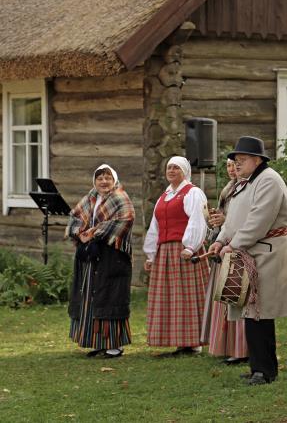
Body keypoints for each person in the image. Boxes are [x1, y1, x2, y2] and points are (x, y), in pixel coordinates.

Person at [209, 136, 287, 385]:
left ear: (257, 160)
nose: (237, 163)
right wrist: (220, 240)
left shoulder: (269, 181)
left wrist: (233, 245)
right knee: (251, 311)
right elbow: (233, 219)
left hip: (268, 252)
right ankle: (258, 367)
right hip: (252, 251)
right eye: (235, 159)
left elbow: (257, 221)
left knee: (261, 312)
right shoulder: (246, 182)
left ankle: (265, 371)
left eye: (241, 160)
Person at [66, 164, 135, 358]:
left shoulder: (120, 198)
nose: (104, 182)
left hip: (112, 256)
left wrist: (95, 232)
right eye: (100, 178)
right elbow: (75, 217)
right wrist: (80, 234)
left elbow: (125, 219)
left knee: (110, 297)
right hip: (90, 256)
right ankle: (96, 341)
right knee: (90, 298)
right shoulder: (90, 198)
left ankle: (115, 344)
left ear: (114, 180)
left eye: (107, 178)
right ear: (94, 181)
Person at [143, 156, 209, 355]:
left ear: (185, 171)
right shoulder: (164, 197)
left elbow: (198, 220)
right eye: (169, 167)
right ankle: (179, 341)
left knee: (187, 297)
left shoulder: (193, 193)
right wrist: (151, 255)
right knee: (171, 297)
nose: (171, 171)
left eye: (176, 168)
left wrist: (190, 246)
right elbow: (155, 227)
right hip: (165, 253)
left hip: (184, 250)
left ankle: (193, 342)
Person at [201, 158, 249, 364]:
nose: (232, 169)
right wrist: (215, 221)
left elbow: (247, 220)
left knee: (238, 295)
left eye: (235, 165)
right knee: (225, 297)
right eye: (228, 166)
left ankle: (242, 349)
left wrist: (225, 220)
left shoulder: (248, 188)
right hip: (224, 247)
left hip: (241, 247)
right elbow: (225, 219)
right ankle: (227, 346)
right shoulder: (228, 189)